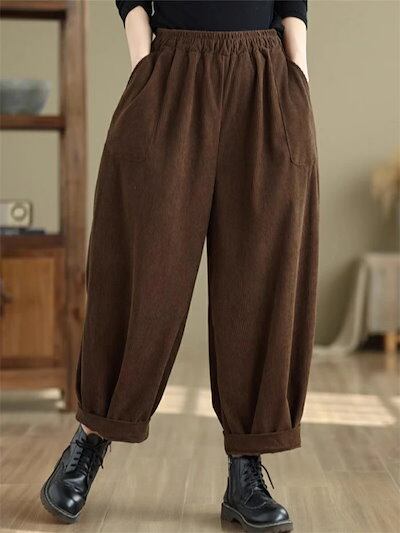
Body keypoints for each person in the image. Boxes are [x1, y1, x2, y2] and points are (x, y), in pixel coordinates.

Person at [40, 2, 319, 532]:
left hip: (266, 78)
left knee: (261, 278)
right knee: (141, 274)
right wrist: (145, 63)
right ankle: (91, 438)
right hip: (169, 72)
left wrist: (296, 79)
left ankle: (247, 468)